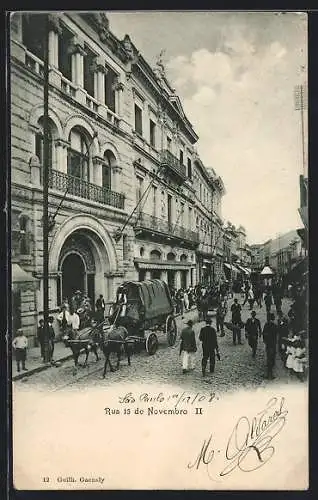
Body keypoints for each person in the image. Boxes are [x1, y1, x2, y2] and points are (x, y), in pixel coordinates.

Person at [262, 313, 278, 380]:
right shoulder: (274, 325)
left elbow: (264, 334)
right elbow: (276, 334)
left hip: (268, 344)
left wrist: (265, 340)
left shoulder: (266, 325)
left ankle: (269, 374)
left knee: (269, 358)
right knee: (271, 358)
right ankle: (270, 375)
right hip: (273, 344)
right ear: (273, 318)